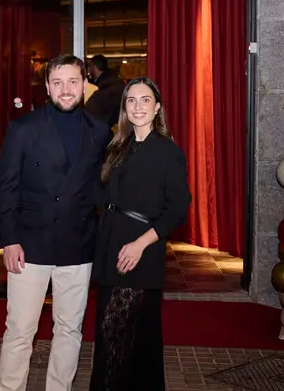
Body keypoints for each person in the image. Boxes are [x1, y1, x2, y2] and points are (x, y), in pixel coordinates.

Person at [0, 54, 112, 391]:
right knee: (20, 329)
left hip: (78, 245)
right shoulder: (23, 128)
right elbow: (7, 188)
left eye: (73, 81)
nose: (65, 89)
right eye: (57, 82)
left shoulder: (100, 130)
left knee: (69, 329)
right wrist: (9, 239)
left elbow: (101, 186)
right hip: (28, 246)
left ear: (84, 85)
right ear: (47, 86)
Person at [90, 76, 191, 391]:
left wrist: (140, 244)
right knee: (122, 334)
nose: (137, 106)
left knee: (118, 334)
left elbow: (177, 208)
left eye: (145, 99)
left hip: (140, 249)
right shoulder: (118, 145)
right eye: (131, 100)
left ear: (157, 107)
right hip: (111, 244)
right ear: (124, 108)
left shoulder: (167, 151)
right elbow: (101, 194)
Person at [84, 54, 125, 128]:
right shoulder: (113, 81)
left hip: (106, 128)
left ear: (94, 66)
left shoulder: (103, 86)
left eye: (90, 66)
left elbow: (92, 110)